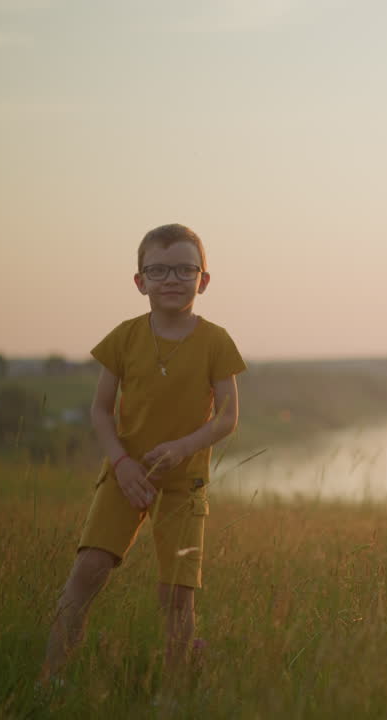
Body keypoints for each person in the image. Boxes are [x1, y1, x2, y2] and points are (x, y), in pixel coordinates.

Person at [39, 223, 246, 684]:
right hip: (125, 474)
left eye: (184, 269)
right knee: (87, 571)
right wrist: (121, 462)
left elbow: (228, 417)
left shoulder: (216, 341)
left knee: (176, 593)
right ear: (140, 281)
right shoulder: (125, 337)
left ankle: (173, 695)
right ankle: (49, 683)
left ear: (203, 280)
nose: (171, 279)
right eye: (158, 270)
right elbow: (99, 409)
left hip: (184, 483)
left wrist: (183, 447)